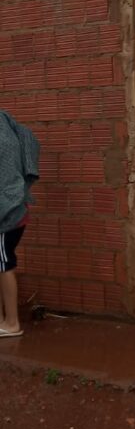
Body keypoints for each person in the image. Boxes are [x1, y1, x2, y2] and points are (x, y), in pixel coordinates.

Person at [0, 111, 40, 338]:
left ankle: (12, 322)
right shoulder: (4, 120)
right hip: (13, 207)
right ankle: (1, 320)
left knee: (4, 264)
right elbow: (29, 138)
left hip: (7, 215)